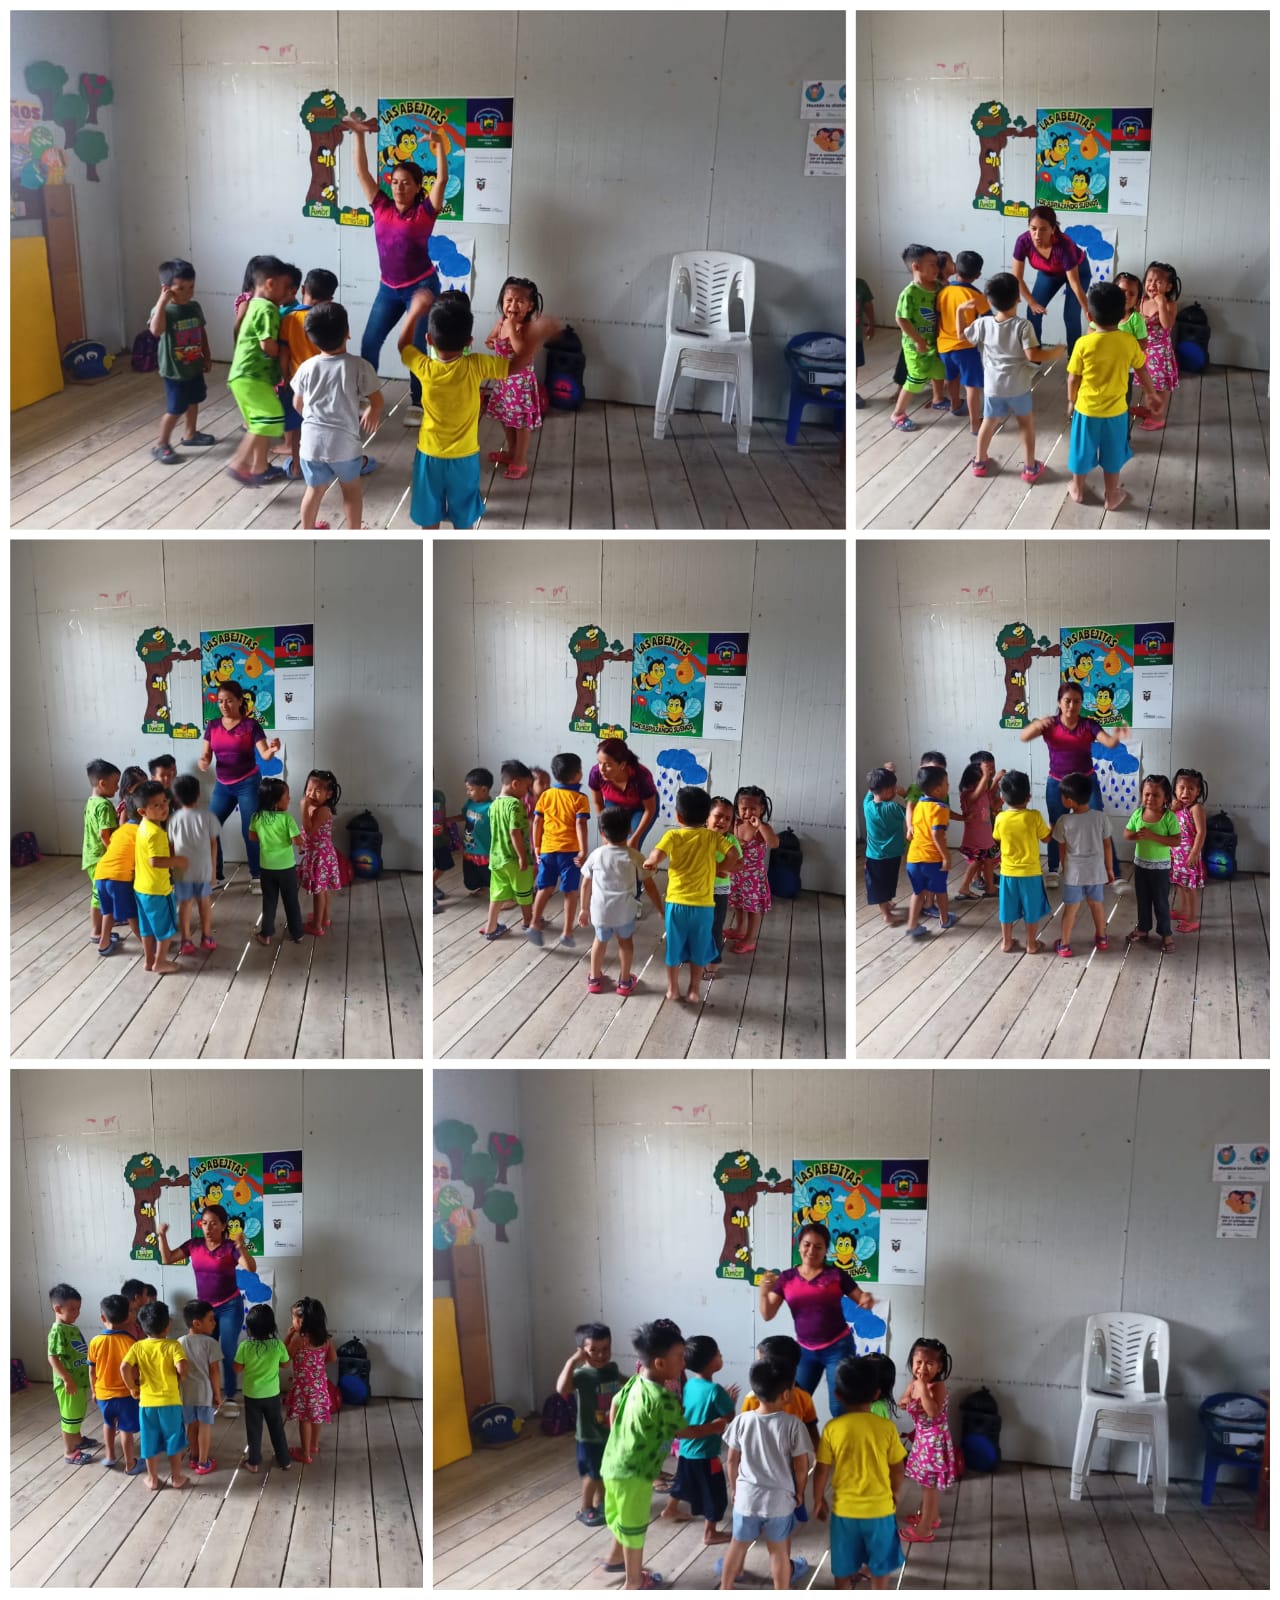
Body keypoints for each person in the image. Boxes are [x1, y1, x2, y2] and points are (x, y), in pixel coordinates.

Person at [398, 288, 561, 528]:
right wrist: (535, 338)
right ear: (469, 342)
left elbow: (403, 346)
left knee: (429, 521)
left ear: (429, 339)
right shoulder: (475, 365)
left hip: (429, 456)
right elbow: (515, 365)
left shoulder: (424, 367)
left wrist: (414, 312)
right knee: (463, 520)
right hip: (464, 458)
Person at [598, 1318, 730, 1590]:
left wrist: (618, 1436)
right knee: (634, 1527)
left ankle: (615, 1559)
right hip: (635, 1474)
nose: (684, 1363)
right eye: (679, 1357)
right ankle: (634, 1582)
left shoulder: (635, 1382)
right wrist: (715, 1426)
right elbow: (686, 1432)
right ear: (659, 1363)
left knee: (620, 1516)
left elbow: (615, 1404)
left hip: (613, 1463)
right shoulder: (662, 1399)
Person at [341, 113, 448, 423]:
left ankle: (417, 402)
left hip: (421, 287)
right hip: (388, 288)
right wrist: (358, 135)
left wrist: (440, 148)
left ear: (417, 187)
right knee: (370, 341)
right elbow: (361, 172)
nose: (400, 187)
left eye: (406, 183)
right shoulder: (381, 206)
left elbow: (441, 180)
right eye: (396, 182)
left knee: (416, 347)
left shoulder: (426, 211)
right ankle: (366, 396)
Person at [1066, 281, 1164, 512]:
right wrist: (1151, 393)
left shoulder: (1083, 343)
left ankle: (1078, 489)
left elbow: (1073, 378)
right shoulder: (1128, 342)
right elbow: (1141, 369)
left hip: (1086, 411)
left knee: (1081, 451)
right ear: (1122, 315)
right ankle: (1111, 496)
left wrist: (1071, 400)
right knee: (1113, 455)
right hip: (1117, 413)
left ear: (1090, 316)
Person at [757, 1223, 871, 1418]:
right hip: (805, 1351)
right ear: (799, 1246)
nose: (811, 1251)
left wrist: (866, 1299)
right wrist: (763, 1292)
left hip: (838, 1348)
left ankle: (839, 1438)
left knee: (839, 1407)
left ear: (826, 1250)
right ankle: (804, 1438)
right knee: (794, 1404)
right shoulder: (786, 1278)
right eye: (807, 1245)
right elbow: (767, 1314)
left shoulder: (836, 1275)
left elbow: (861, 1298)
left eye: (818, 1247)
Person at [717, 1357, 812, 1590]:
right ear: (786, 1394)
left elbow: (731, 1460)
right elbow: (802, 1466)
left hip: (747, 1500)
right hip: (779, 1502)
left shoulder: (742, 1421)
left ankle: (725, 1588)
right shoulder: (793, 1425)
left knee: (737, 1546)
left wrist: (735, 1488)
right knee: (778, 1553)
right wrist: (800, 1492)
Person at [156, 1203, 258, 1415]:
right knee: (202, 1351)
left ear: (223, 1226)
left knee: (227, 1351)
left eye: (213, 1223)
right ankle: (209, 1395)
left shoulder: (229, 1247)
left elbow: (251, 1268)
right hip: (204, 1310)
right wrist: (162, 1236)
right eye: (204, 1223)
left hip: (230, 1306)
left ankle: (230, 1396)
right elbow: (167, 1258)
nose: (208, 1228)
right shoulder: (194, 1245)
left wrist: (241, 1246)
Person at [643, 785, 743, 1003]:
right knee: (699, 949)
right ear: (706, 816)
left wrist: (652, 861)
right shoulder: (712, 838)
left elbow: (657, 852)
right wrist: (720, 868)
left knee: (673, 948)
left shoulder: (673, 835)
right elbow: (734, 854)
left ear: (679, 816)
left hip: (676, 904)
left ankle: (672, 989)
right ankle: (694, 990)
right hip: (704, 906)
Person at [813, 1357, 907, 1589]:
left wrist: (818, 1499)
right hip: (880, 1512)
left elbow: (822, 1468)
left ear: (837, 1395)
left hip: (844, 1512)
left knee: (843, 1567)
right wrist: (895, 1492)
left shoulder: (832, 1428)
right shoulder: (886, 1428)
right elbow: (898, 1467)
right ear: (876, 1394)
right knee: (881, 1566)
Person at [1018, 680, 1122, 885]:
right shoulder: (1050, 724)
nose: (1071, 706)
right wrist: (1037, 724)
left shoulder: (1088, 724)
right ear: (1059, 702)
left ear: (1081, 703)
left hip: (1086, 781)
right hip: (1058, 783)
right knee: (1056, 824)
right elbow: (1024, 737)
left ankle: (1115, 873)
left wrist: (1117, 734)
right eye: (1067, 701)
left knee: (1099, 822)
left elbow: (1109, 742)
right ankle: (1053, 869)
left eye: (1076, 701)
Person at [290, 300, 383, 530]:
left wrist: (312, 418)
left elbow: (297, 403)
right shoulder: (359, 366)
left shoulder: (306, 367)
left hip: (311, 446)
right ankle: (354, 532)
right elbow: (377, 400)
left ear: (312, 338)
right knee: (351, 492)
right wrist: (373, 411)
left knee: (313, 492)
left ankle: (307, 532)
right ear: (347, 333)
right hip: (345, 447)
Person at [961, 271, 1044, 482]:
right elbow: (1033, 356)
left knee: (988, 422)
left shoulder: (983, 323)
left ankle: (980, 462)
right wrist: (1055, 353)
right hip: (1019, 386)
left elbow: (962, 336)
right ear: (1018, 298)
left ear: (990, 301)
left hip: (993, 388)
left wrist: (960, 311)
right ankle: (1030, 468)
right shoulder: (1024, 325)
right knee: (1025, 424)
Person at [198, 681, 281, 893]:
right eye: (220, 701)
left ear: (239, 701)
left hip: (248, 783)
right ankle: (215, 875)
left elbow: (264, 754)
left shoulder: (250, 725)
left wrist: (272, 750)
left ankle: (257, 875)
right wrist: (203, 761)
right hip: (223, 785)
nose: (224, 705)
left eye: (229, 701)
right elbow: (206, 754)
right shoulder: (212, 726)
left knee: (249, 830)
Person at [579, 806, 664, 996]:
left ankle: (594, 979)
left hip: (600, 912)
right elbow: (650, 886)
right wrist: (660, 908)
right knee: (625, 943)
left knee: (599, 941)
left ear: (602, 832)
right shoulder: (635, 856)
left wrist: (583, 909)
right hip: (625, 912)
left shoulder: (596, 854)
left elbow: (585, 884)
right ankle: (625, 983)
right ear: (630, 830)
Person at [225, 255, 294, 486]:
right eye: (285, 287)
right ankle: (239, 462)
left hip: (243, 376)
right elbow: (267, 345)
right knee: (270, 416)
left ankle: (260, 467)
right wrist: (283, 350)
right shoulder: (268, 309)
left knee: (259, 422)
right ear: (270, 284)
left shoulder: (254, 304)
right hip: (252, 375)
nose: (287, 293)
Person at [662, 1335, 738, 1545]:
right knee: (715, 1493)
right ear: (711, 1362)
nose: (721, 1356)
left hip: (686, 1448)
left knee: (683, 1481)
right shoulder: (715, 1390)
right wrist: (730, 1401)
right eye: (718, 1354)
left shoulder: (690, 1385)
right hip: (706, 1453)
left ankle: (670, 1508)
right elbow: (728, 1417)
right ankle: (710, 1533)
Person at [556, 1321, 623, 1528]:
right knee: (592, 1474)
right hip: (589, 1436)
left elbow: (623, 1382)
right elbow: (562, 1389)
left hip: (610, 1434)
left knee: (606, 1471)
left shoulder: (612, 1369)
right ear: (582, 1351)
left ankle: (600, 1503)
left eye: (606, 1349)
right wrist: (572, 1362)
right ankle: (585, 1508)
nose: (601, 1355)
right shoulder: (582, 1375)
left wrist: (641, 1380)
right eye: (594, 1350)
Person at [148, 258, 214, 464]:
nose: (188, 292)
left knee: (194, 401)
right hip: (174, 371)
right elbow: (156, 330)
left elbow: (201, 332)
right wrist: (162, 302)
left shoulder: (194, 307)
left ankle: (190, 434)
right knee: (175, 409)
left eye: (191, 287)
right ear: (166, 289)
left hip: (194, 366)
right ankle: (161, 444)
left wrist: (207, 355)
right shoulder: (164, 311)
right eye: (181, 288)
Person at [120, 1299, 190, 1491]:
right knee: (174, 1439)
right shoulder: (173, 1346)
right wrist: (182, 1377)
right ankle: (176, 1478)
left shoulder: (138, 1347)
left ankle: (152, 1479)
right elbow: (182, 1366)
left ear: (143, 1327)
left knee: (149, 1441)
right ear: (168, 1325)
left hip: (147, 1404)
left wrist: (132, 1388)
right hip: (171, 1403)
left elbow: (124, 1367)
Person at [483, 276, 548, 477]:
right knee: (506, 419)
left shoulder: (528, 328)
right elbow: (490, 339)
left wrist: (511, 331)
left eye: (520, 301)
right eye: (509, 300)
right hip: (504, 381)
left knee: (521, 424)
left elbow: (522, 351)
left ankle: (520, 460)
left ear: (530, 306)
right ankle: (511, 452)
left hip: (520, 385)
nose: (513, 306)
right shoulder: (501, 322)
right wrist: (492, 342)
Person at [898, 1338, 959, 1544]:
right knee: (925, 1484)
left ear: (939, 1367)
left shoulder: (938, 1386)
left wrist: (923, 1387)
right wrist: (906, 1400)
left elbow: (932, 1411)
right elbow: (902, 1400)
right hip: (922, 1440)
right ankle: (932, 1517)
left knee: (929, 1486)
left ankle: (925, 1528)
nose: (922, 1368)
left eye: (929, 1364)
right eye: (918, 1363)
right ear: (912, 1362)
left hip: (934, 1442)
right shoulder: (913, 1383)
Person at [588, 740, 660, 913]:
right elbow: (598, 803)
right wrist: (604, 831)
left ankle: (634, 899)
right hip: (614, 804)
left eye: (608, 764)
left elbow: (650, 809)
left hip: (641, 809)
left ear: (622, 764)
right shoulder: (596, 773)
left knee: (631, 850)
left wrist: (634, 837)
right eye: (599, 762)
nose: (602, 769)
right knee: (612, 846)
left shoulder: (641, 776)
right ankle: (614, 891)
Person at [1010, 204, 1092, 356]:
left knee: (1071, 315)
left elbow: (1074, 284)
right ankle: (1035, 357)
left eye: (1043, 229)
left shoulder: (1064, 245)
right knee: (1033, 312)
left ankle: (1074, 359)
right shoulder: (1023, 241)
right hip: (1048, 273)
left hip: (1078, 272)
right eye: (1033, 228)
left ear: (1053, 229)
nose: (1037, 235)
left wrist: (1089, 313)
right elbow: (1017, 277)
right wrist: (1032, 302)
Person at [1052, 770, 1115, 958]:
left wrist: (1064, 868)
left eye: (1063, 796)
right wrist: (1109, 869)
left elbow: (1062, 849)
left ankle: (1064, 944)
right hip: (1096, 872)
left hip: (1074, 874)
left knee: (1071, 909)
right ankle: (1102, 938)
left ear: (1070, 801)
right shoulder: (1101, 818)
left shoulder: (1064, 821)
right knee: (1097, 905)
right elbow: (1107, 845)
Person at [531, 751, 592, 946]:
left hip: (547, 850)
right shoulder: (580, 798)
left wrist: (537, 846)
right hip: (570, 853)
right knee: (570, 891)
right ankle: (567, 932)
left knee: (544, 888)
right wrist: (583, 850)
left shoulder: (546, 795)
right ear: (577, 774)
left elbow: (537, 822)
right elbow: (580, 824)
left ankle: (534, 924)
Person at [990, 770, 1051, 955]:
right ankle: (1031, 944)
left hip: (1008, 873)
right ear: (1028, 797)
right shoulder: (1034, 816)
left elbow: (996, 838)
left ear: (1002, 798)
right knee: (1031, 910)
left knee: (1006, 909)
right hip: (1030, 874)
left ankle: (1006, 942)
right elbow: (1046, 838)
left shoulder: (1000, 818)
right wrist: (1051, 828)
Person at [890, 244, 946, 430]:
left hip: (935, 341)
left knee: (939, 370)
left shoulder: (939, 287)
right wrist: (918, 340)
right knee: (916, 378)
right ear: (916, 266)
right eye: (932, 264)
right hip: (915, 346)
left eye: (937, 264)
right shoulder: (909, 293)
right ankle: (897, 414)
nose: (937, 268)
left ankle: (938, 399)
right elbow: (901, 319)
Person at [482, 760, 538, 941]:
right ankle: (528, 921)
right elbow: (515, 832)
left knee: (497, 894)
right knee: (524, 892)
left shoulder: (494, 805)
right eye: (526, 787)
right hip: (514, 858)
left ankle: (491, 927)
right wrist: (522, 857)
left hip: (497, 858)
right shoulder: (515, 805)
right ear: (515, 784)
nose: (527, 792)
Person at [134, 781, 186, 974]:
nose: (164, 807)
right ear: (142, 811)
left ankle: (149, 961)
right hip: (157, 890)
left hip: (141, 888)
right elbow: (155, 861)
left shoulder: (143, 826)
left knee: (147, 929)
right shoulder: (156, 833)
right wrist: (177, 861)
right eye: (156, 805)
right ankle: (160, 962)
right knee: (166, 930)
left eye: (164, 801)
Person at [233, 1303, 293, 1473]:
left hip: (252, 1395)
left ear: (250, 1328)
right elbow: (286, 1364)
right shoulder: (278, 1345)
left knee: (254, 1430)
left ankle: (254, 1462)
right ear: (272, 1326)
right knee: (277, 1428)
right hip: (272, 1395)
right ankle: (285, 1460)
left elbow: (237, 1369)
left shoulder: (245, 1346)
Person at [1125, 774, 1181, 953]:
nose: (1150, 798)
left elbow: (1176, 841)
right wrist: (1136, 835)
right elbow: (1127, 834)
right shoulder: (1138, 814)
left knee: (1161, 902)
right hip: (1140, 866)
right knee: (1143, 899)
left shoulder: (1169, 817)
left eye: (1156, 795)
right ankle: (1143, 928)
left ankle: (1166, 934)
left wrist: (1152, 836)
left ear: (1166, 798)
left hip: (1160, 869)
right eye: (1147, 794)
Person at [89, 1293, 143, 1474]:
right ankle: (130, 1464)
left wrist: (94, 1391)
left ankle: (110, 1456)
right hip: (126, 1395)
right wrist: (136, 1387)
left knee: (108, 1423)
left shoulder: (95, 1341)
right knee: (126, 1430)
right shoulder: (131, 1342)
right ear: (128, 1317)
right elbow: (134, 1370)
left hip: (103, 1394)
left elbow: (92, 1371)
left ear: (102, 1318)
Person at [168, 774, 220, 956]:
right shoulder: (208, 816)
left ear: (176, 797)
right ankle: (206, 937)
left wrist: (172, 866)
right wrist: (213, 870)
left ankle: (186, 941)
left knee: (185, 904)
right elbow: (214, 844)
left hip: (182, 870)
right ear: (199, 794)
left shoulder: (174, 819)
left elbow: (171, 846)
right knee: (204, 902)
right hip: (203, 869)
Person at [249, 777, 305, 945]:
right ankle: (297, 933)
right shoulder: (287, 818)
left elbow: (252, 837)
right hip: (286, 868)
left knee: (269, 901)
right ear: (275, 801)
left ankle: (266, 934)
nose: (289, 799)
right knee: (291, 901)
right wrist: (298, 843)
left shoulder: (256, 817)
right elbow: (297, 841)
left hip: (267, 868)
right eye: (286, 796)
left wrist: (268, 838)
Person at [937, 249, 988, 432]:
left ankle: (955, 405)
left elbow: (938, 316)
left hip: (944, 346)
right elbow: (988, 320)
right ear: (978, 275)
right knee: (972, 385)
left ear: (956, 269)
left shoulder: (942, 292)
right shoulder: (976, 296)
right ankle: (975, 424)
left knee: (952, 377)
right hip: (966, 347)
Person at [48, 1283, 98, 1464]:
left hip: (78, 1381)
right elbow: (53, 1357)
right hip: (68, 1384)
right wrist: (67, 1378)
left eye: (78, 1308)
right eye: (72, 1309)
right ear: (57, 1309)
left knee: (77, 1415)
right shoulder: (58, 1330)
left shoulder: (71, 1327)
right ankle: (69, 1452)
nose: (77, 1313)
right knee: (70, 1418)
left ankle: (77, 1440)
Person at [725, 786, 778, 954]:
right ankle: (740, 929)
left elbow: (774, 843)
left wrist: (760, 826)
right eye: (744, 808)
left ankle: (750, 938)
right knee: (738, 903)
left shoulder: (762, 828)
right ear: (737, 808)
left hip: (753, 877)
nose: (747, 813)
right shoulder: (734, 824)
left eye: (753, 809)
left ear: (761, 809)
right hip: (735, 874)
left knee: (752, 908)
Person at [284, 1297, 336, 1464]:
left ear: (302, 1321)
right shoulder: (325, 1339)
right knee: (316, 1417)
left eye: (294, 1318)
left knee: (304, 1419)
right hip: (320, 1386)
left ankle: (305, 1454)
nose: (293, 1322)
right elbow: (332, 1358)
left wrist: (288, 1337)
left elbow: (285, 1357)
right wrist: (317, 1363)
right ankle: (314, 1445)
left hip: (304, 1388)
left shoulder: (300, 1339)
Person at [905, 765, 955, 939]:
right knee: (940, 890)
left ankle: (912, 925)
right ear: (937, 789)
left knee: (918, 892)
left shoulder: (919, 805)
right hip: (933, 860)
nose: (948, 786)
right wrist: (946, 857)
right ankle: (944, 919)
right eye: (946, 783)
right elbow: (937, 834)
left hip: (913, 859)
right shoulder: (940, 808)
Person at [179, 1300, 225, 1475]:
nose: (214, 1323)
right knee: (205, 1426)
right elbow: (214, 1371)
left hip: (185, 1393)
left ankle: (194, 1456)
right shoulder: (210, 1343)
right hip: (204, 1393)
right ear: (197, 1323)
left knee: (192, 1425)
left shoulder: (179, 1342)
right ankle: (203, 1462)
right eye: (211, 1319)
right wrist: (217, 1394)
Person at [1135, 260, 1181, 431]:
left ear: (1168, 287)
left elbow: (1167, 325)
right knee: (1148, 383)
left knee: (1160, 387)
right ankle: (1150, 410)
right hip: (1144, 351)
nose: (1152, 285)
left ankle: (1158, 417)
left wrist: (1161, 304)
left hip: (1160, 353)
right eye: (1149, 280)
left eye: (1158, 282)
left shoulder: (1170, 304)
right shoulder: (1141, 301)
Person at [299, 768, 343, 937]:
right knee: (323, 888)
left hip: (321, 856)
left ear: (329, 794)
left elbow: (309, 830)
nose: (311, 794)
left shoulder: (323, 810)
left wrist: (303, 808)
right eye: (309, 789)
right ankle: (324, 918)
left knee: (319, 891)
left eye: (317, 791)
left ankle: (316, 926)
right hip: (319, 854)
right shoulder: (314, 807)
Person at [955, 752, 1004, 901]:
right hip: (975, 839)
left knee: (988, 861)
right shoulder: (968, 795)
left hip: (985, 837)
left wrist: (1005, 793)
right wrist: (987, 776)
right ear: (972, 783)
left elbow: (993, 802)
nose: (985, 782)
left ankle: (990, 888)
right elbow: (977, 794)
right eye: (982, 780)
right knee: (977, 861)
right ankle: (964, 887)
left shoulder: (984, 794)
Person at [862, 768, 906, 927]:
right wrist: (905, 795)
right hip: (892, 855)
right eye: (894, 788)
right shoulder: (893, 807)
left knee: (880, 883)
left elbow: (870, 790)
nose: (895, 790)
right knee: (887, 883)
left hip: (874, 856)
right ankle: (887, 915)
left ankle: (886, 904)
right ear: (887, 790)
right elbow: (912, 813)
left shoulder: (867, 805)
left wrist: (885, 772)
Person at [83, 759, 120, 945]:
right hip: (100, 858)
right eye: (115, 783)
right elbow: (104, 834)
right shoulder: (104, 806)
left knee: (98, 894)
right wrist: (114, 853)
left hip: (91, 855)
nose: (118, 787)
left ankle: (101, 929)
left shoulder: (91, 802)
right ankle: (97, 932)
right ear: (103, 783)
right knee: (99, 895)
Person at [706, 796, 744, 972]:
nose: (722, 821)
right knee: (697, 924)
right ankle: (693, 953)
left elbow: (740, 863)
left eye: (727, 819)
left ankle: (714, 960)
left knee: (715, 925)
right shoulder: (699, 837)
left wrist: (725, 868)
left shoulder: (731, 841)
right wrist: (716, 868)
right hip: (697, 890)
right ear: (707, 817)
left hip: (719, 891)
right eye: (718, 816)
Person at [1170, 767, 1209, 932]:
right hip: (1177, 855)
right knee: (1180, 884)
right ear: (1175, 789)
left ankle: (1192, 919)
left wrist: (1194, 853)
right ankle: (1183, 911)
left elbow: (1201, 832)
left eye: (1191, 788)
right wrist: (1172, 809)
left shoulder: (1196, 809)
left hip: (1189, 855)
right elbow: (1166, 822)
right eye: (1182, 788)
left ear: (1198, 791)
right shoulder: (1177, 807)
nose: (1185, 792)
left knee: (1189, 887)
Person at [460, 767, 494, 896]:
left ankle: (504, 896)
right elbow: (463, 816)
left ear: (484, 789)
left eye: (471, 789)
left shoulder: (491, 807)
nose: (468, 793)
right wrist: (447, 820)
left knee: (490, 877)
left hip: (484, 853)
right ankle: (482, 886)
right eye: (467, 789)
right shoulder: (470, 803)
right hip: (469, 850)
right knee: (470, 882)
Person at [855, 275, 875, 408]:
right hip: (834, 337)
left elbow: (868, 305)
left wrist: (871, 324)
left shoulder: (860, 284)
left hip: (854, 337)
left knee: (853, 365)